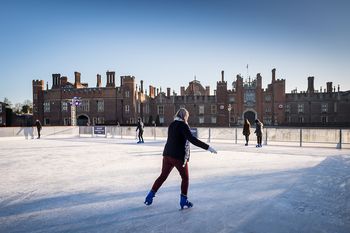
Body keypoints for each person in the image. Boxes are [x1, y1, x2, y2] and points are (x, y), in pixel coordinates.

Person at [144, 108, 217, 209]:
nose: (188, 118)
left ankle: (150, 195)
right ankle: (184, 200)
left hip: (167, 155)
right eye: (187, 116)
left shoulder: (172, 124)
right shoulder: (183, 125)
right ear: (184, 116)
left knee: (162, 176)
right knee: (185, 178)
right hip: (178, 156)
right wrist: (208, 147)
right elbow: (192, 139)